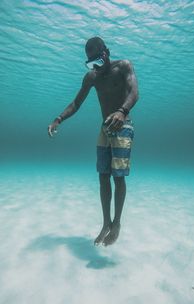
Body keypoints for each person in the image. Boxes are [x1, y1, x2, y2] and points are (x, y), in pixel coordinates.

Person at [48, 37, 139, 246]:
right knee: (103, 176)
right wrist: (58, 119)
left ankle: (117, 223)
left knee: (118, 177)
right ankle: (106, 222)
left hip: (123, 125)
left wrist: (122, 111)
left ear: (106, 52)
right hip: (104, 129)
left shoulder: (124, 66)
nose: (96, 66)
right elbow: (76, 103)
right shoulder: (92, 77)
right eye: (91, 63)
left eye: (98, 60)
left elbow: (134, 92)